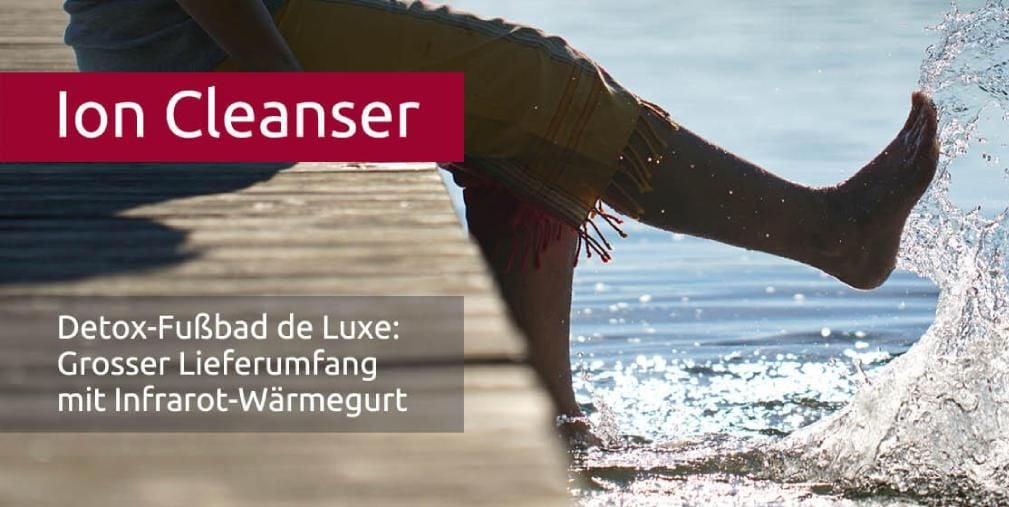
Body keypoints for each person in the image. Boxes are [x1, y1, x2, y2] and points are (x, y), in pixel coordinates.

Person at [63, 0, 940, 442]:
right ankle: (833, 233)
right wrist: (299, 102)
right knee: (549, 92)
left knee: (531, 143)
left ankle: (548, 429)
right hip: (204, 66)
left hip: (197, 57)